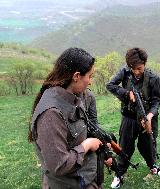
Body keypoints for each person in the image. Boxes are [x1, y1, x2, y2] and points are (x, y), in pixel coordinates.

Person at [29, 47, 111, 189]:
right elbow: (59, 165)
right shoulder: (51, 114)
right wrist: (87, 145)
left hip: (84, 179)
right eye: (89, 76)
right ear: (76, 76)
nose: (90, 82)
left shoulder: (73, 98)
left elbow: (76, 136)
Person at [106, 47, 160, 188]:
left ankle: (153, 166)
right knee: (125, 147)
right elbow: (110, 85)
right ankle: (119, 174)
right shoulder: (125, 72)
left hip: (147, 118)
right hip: (129, 117)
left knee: (148, 145)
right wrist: (126, 93)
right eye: (134, 69)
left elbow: (156, 101)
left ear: (145, 63)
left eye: (140, 68)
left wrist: (149, 116)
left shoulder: (153, 78)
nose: (137, 72)